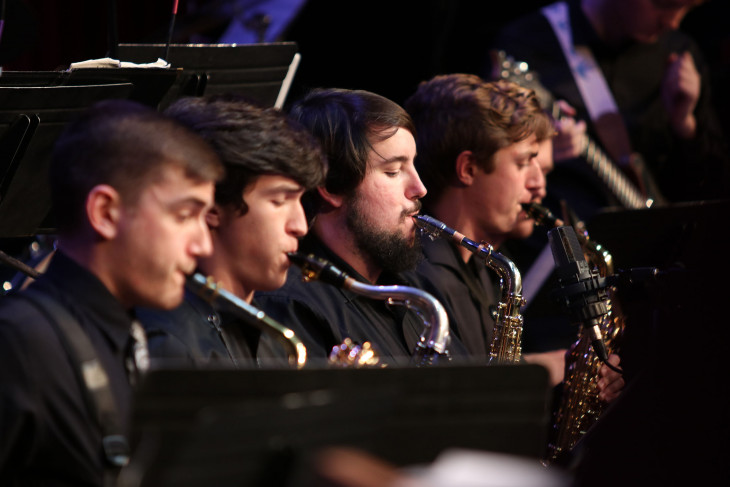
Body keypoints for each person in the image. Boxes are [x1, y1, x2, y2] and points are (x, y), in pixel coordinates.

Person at [0, 100, 222, 485]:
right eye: (185, 215)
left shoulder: (128, 331)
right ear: (105, 212)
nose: (203, 245)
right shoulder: (19, 343)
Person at [404, 74, 623, 394]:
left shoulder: (489, 267)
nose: (539, 186)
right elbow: (456, 393)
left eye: (542, 168)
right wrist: (548, 368)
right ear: (468, 169)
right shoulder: (422, 274)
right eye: (523, 163)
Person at [255, 88, 465, 365]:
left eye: (413, 166)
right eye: (393, 172)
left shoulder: (413, 296)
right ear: (332, 186)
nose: (420, 188)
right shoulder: (293, 306)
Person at [490, 0, 729, 222]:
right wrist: (541, 148)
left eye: (687, 8)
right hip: (556, 240)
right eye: (663, 3)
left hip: (654, 242)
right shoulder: (527, 41)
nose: (672, 22)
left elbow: (711, 187)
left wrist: (685, 124)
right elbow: (490, 157)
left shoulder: (678, 51)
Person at [136, 94, 326, 368]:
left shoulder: (273, 336)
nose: (300, 226)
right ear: (210, 207)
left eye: (299, 200)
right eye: (279, 201)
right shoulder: (169, 344)